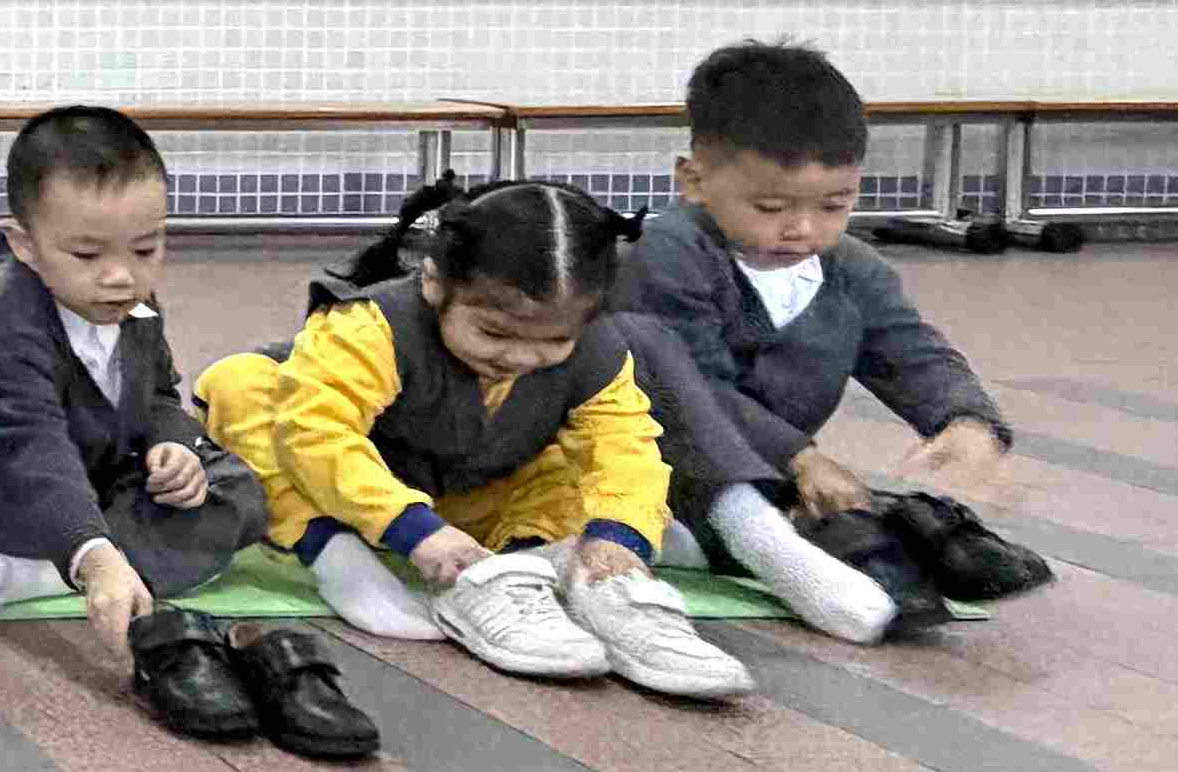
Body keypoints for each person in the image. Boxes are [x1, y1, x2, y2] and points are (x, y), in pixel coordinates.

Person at [0, 110, 373, 759]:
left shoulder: (136, 307)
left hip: (98, 476)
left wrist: (172, 444)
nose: (120, 276)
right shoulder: (2, 326)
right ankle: (91, 559)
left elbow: (159, 394)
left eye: (145, 249)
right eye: (87, 254)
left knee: (238, 489)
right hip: (1, 482)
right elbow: (32, 453)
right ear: (23, 244)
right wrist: (98, 557)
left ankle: (45, 574)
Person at [195, 180, 752, 699]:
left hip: (479, 508)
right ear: (435, 282)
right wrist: (414, 531)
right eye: (493, 332)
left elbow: (625, 446)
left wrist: (620, 534)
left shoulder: (598, 348)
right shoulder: (372, 325)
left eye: (553, 342)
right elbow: (319, 436)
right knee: (243, 386)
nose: (519, 357)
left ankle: (529, 573)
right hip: (347, 501)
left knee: (587, 474)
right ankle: (336, 558)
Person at [615, 41, 1050, 640]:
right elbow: (692, 388)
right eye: (770, 206)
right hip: (660, 461)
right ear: (694, 180)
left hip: (779, 470)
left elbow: (913, 353)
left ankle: (866, 529)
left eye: (833, 206)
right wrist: (801, 456)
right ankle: (768, 539)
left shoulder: (851, 269)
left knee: (874, 518)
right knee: (708, 481)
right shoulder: (670, 253)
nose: (803, 228)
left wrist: (967, 422)